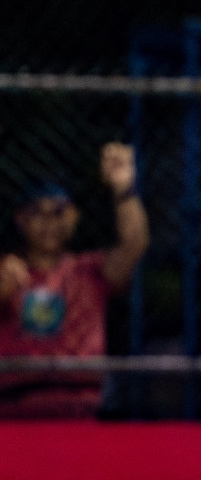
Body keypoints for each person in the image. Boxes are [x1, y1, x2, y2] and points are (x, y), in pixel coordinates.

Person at [0, 143, 148, 418]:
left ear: (73, 218)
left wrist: (124, 189)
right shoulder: (7, 270)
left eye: (58, 212)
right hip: (13, 407)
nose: (48, 222)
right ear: (20, 220)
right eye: (36, 212)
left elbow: (134, 244)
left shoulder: (89, 271)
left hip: (79, 405)